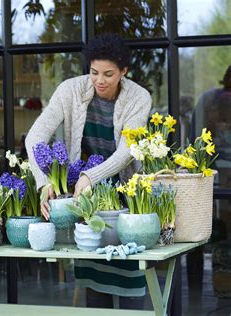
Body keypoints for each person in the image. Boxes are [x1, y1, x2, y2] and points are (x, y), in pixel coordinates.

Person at [25, 33, 152, 308]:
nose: (100, 80)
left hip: (124, 199)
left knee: (130, 275)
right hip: (86, 203)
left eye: (109, 74)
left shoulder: (139, 98)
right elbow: (34, 138)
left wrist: (90, 176)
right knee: (94, 279)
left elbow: (126, 152)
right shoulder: (70, 90)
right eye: (94, 72)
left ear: (123, 72)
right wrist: (43, 182)